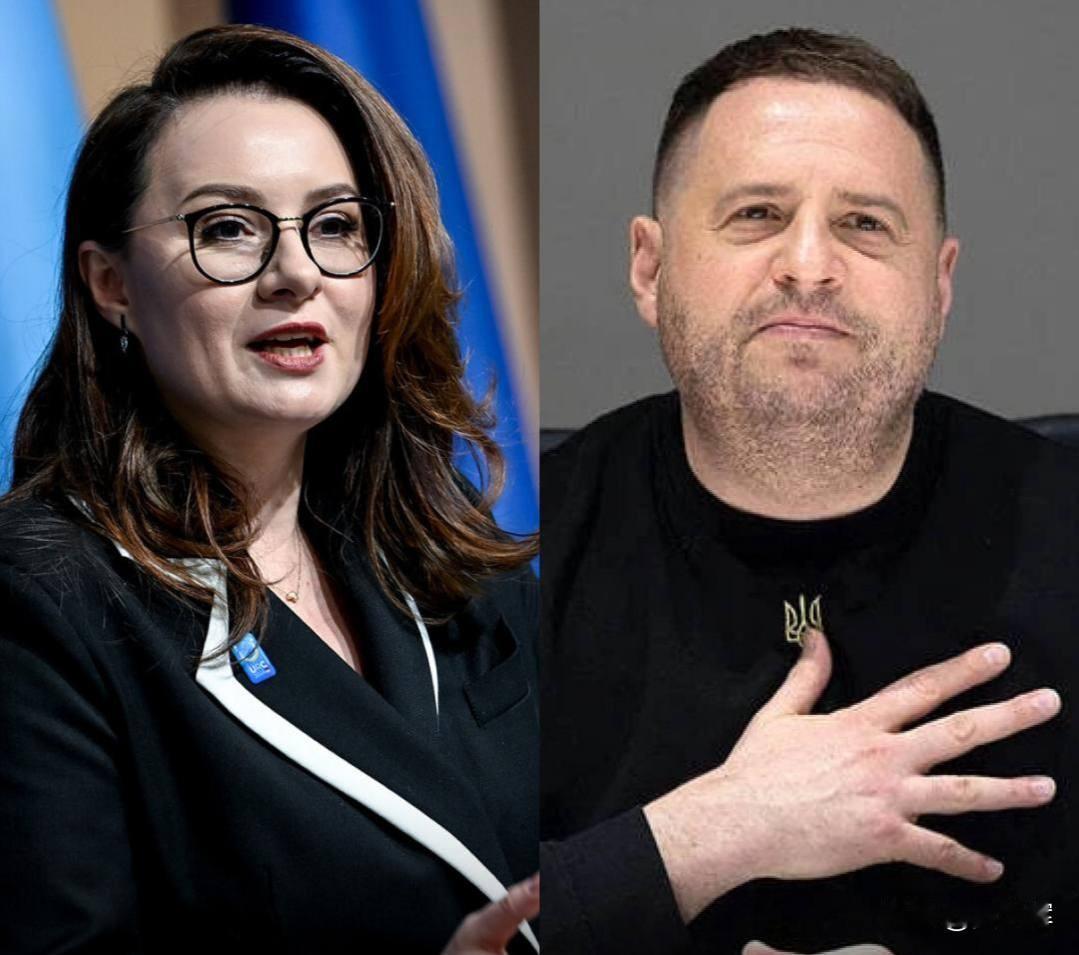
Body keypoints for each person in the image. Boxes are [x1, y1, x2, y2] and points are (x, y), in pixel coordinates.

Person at [0, 24, 538, 955]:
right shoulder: (41, 599)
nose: (296, 274)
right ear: (110, 283)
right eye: (227, 229)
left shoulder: (457, 562)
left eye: (335, 226)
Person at [540, 28, 1079, 955]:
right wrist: (712, 833)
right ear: (649, 267)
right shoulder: (496, 556)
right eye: (756, 214)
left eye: (864, 224)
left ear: (938, 286)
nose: (806, 263)